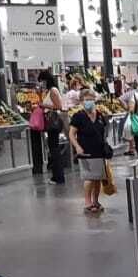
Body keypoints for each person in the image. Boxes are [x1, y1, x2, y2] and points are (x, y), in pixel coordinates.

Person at [70, 87, 112, 215]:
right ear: (82, 101)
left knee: (98, 178)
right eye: (87, 100)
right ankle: (87, 202)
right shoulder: (78, 116)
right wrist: (77, 146)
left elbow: (103, 131)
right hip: (85, 151)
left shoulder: (99, 115)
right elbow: (71, 134)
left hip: (99, 151)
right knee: (89, 178)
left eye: (91, 99)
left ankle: (96, 201)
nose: (89, 102)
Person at [39, 68, 66, 185]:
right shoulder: (50, 91)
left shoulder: (53, 91)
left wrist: (44, 105)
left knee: (54, 149)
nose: (41, 84)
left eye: (42, 81)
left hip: (53, 123)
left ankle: (58, 177)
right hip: (52, 123)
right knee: (53, 149)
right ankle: (57, 175)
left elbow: (59, 106)